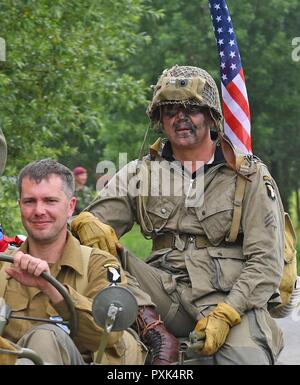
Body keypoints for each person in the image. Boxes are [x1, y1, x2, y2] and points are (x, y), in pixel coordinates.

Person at [71, 65, 285, 365]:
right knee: (96, 249)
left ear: (211, 117)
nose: (180, 117)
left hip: (226, 298)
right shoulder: (140, 172)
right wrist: (84, 223)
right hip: (160, 294)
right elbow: (90, 228)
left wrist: (228, 313)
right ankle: (152, 330)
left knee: (247, 361)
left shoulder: (248, 175)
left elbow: (266, 261)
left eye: (191, 109)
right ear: (159, 120)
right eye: (170, 109)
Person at [0, 159, 146, 365]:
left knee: (45, 336)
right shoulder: (4, 266)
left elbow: (110, 335)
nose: (39, 210)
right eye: (29, 201)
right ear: (20, 206)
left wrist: (52, 288)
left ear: (71, 207)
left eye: (50, 201)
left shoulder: (100, 265)